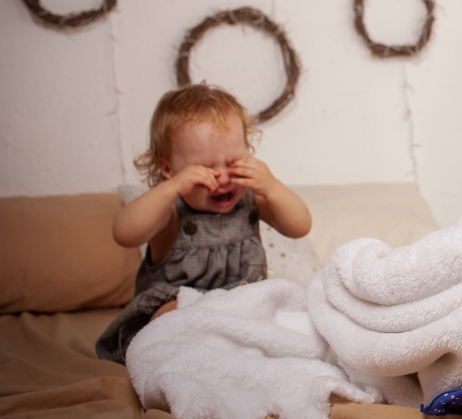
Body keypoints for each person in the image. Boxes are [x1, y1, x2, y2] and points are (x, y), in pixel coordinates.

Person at [96, 83, 311, 364]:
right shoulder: (170, 213)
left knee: (284, 313)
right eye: (207, 168)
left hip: (240, 312)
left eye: (233, 161)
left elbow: (300, 226)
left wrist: (271, 186)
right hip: (183, 315)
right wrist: (172, 188)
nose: (222, 176)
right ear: (168, 169)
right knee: (168, 314)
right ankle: (186, 363)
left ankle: (247, 358)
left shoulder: (251, 199)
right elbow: (124, 233)